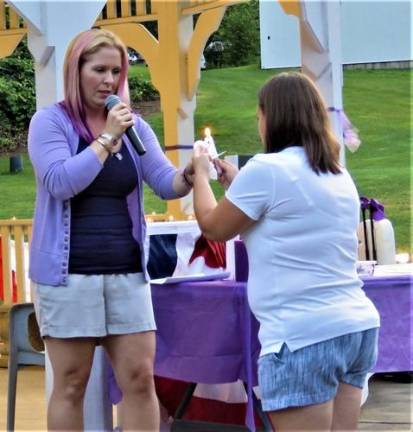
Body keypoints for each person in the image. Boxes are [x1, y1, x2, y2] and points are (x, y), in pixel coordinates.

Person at [191, 72, 380, 431]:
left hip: (301, 334)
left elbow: (214, 226)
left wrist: (201, 173)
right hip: (355, 325)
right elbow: (286, 216)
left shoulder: (266, 170)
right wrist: (237, 185)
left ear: (270, 116)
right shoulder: (336, 172)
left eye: (259, 116)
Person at [28, 28, 193, 431]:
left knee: (139, 380)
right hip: (69, 277)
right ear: (75, 70)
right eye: (99, 69)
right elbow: (60, 182)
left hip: (127, 274)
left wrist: (191, 175)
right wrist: (106, 139)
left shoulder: (134, 125)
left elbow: (164, 181)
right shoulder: (49, 123)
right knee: (71, 384)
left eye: (116, 72)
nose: (109, 80)